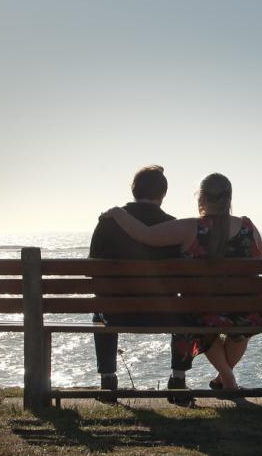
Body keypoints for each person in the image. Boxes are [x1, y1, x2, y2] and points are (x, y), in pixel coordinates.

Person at [100, 172, 262, 390]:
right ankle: (225, 379)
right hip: (245, 313)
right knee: (239, 326)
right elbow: (258, 264)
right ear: (229, 198)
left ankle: (227, 379)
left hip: (200, 313)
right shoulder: (249, 228)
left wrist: (116, 212)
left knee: (199, 318)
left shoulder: (190, 228)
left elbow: (145, 235)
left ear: (201, 199)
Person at [89, 165, 194, 396]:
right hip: (164, 313)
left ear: (134, 190)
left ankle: (108, 380)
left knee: (99, 310)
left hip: (115, 313)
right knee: (185, 308)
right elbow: (185, 278)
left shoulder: (107, 223)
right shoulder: (173, 226)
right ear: (163, 194)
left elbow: (93, 272)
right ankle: (178, 379)